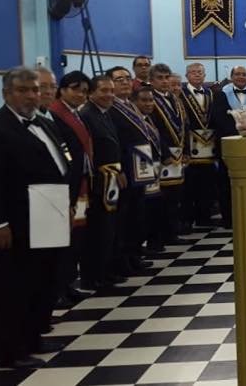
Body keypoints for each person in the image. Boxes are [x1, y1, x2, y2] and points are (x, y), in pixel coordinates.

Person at [0, 67, 72, 369]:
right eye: (23, 90)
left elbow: (58, 166)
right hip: (15, 223)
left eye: (35, 90)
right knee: (12, 288)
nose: (31, 96)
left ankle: (33, 338)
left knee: (43, 282)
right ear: (6, 94)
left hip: (47, 218)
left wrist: (65, 206)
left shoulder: (44, 123)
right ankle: (8, 352)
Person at [47, 70, 93, 309]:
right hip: (66, 186)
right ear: (62, 90)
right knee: (63, 241)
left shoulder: (75, 113)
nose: (81, 95)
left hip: (81, 183)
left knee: (76, 238)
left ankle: (67, 284)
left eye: (85, 91)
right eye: (76, 89)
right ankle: (57, 289)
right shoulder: (55, 114)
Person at [80, 75, 126, 290]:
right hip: (98, 181)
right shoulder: (87, 115)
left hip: (112, 178)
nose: (109, 95)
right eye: (104, 91)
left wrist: (119, 170)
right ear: (91, 93)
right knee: (98, 230)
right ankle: (93, 276)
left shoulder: (105, 114)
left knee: (110, 229)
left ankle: (106, 271)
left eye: (111, 91)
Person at [108, 73, 158, 268]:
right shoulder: (111, 108)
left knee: (137, 213)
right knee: (125, 215)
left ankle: (134, 253)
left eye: (127, 79)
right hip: (126, 167)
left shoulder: (130, 105)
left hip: (140, 164)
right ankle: (123, 258)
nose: (125, 82)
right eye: (119, 80)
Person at [210, 66, 246, 228]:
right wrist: (238, 132)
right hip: (229, 145)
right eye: (237, 74)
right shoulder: (221, 94)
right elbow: (218, 119)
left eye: (244, 74)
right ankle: (229, 218)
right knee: (227, 182)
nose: (241, 77)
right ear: (231, 77)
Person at [146, 64, 188, 245]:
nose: (164, 81)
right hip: (162, 155)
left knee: (175, 197)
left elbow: (185, 125)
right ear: (151, 80)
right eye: (160, 78)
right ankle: (159, 236)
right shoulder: (150, 100)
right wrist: (164, 153)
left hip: (178, 153)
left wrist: (186, 150)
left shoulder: (175, 99)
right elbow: (152, 130)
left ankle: (172, 232)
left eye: (166, 77)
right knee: (161, 198)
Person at [179, 63, 217, 230]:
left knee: (207, 184)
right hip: (191, 143)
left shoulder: (209, 93)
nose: (196, 75)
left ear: (204, 75)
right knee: (189, 185)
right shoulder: (181, 93)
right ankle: (187, 219)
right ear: (187, 75)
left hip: (209, 145)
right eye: (193, 72)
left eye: (200, 72)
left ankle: (205, 217)